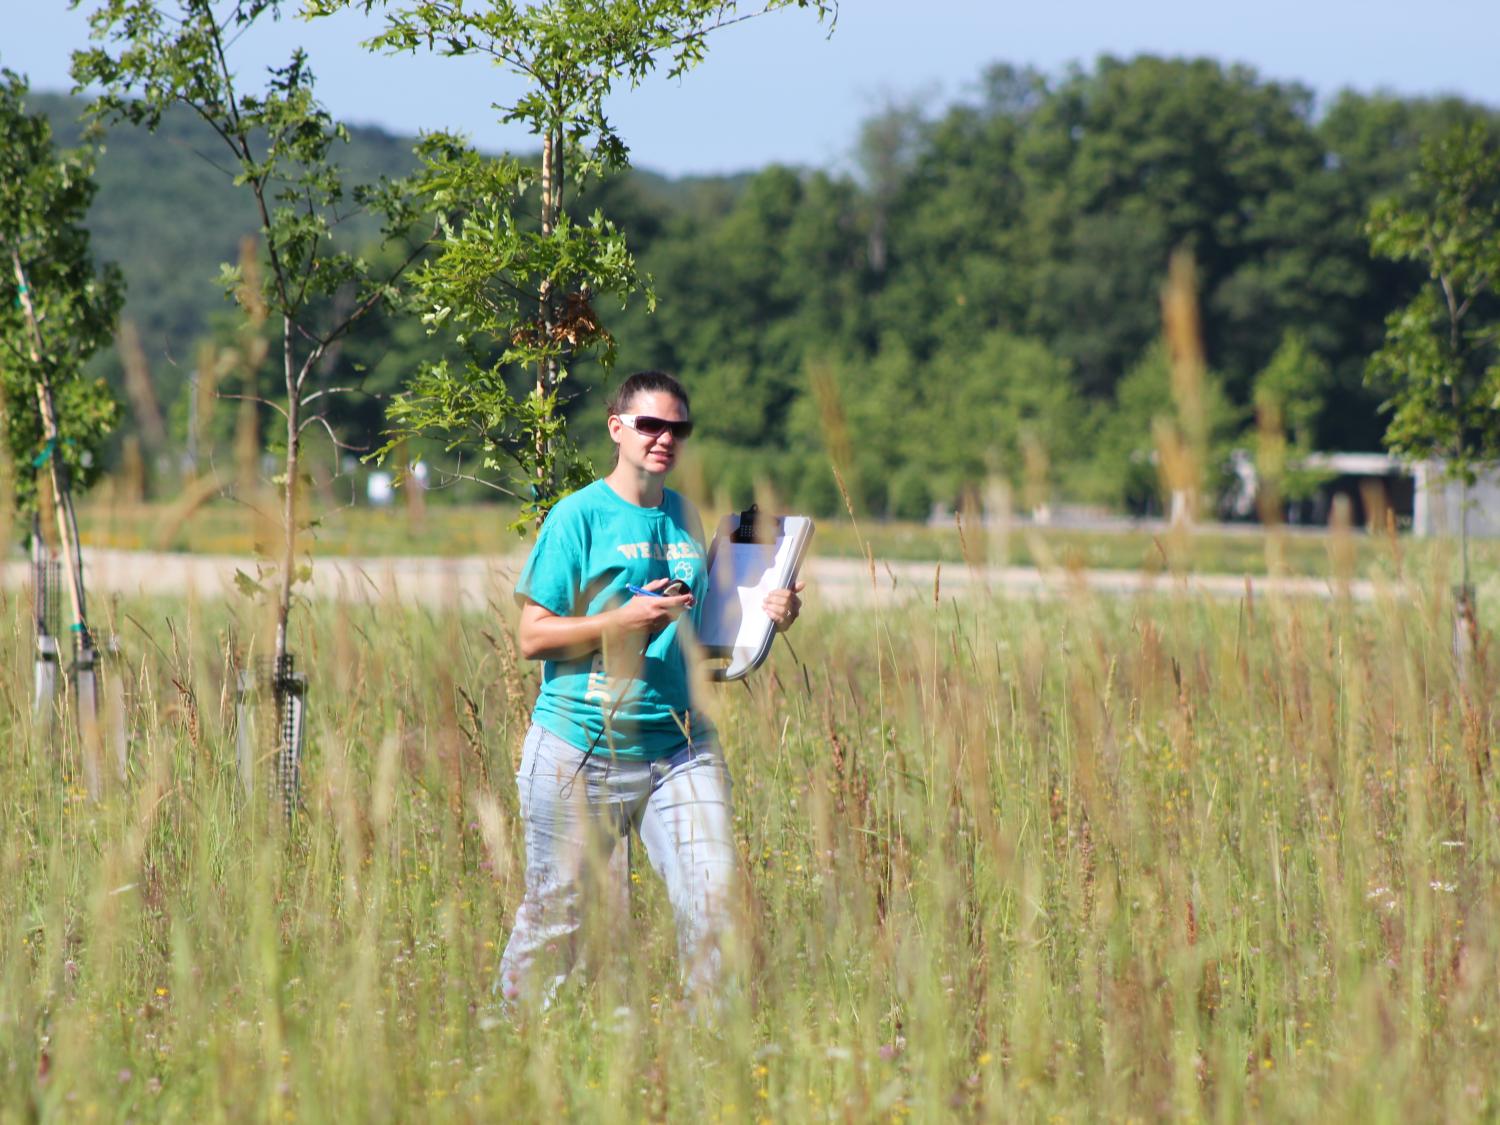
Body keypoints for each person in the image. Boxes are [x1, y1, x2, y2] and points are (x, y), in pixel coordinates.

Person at [498, 370, 804, 1011]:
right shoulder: (576, 517)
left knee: (714, 896)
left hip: (677, 744)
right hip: (580, 747)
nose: (665, 438)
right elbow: (532, 637)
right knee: (558, 919)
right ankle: (509, 1046)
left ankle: (712, 1060)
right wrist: (621, 623)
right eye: (650, 425)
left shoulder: (684, 516)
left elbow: (706, 641)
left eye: (678, 429)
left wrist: (764, 615)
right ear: (618, 428)